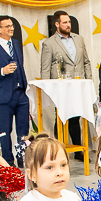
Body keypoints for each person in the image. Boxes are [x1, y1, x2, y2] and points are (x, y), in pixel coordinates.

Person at [40, 10, 90, 152]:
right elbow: (45, 69)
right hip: (60, 88)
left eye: (69, 22)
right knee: (61, 117)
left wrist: (89, 81)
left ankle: (78, 149)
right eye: (65, 22)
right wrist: (47, 90)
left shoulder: (79, 39)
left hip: (78, 86)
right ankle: (59, 149)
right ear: (57, 24)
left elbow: (86, 62)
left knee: (76, 116)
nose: (68, 25)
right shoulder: (49, 43)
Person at [0, 17, 29, 165]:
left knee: (23, 129)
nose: (11, 28)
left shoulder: (16, 43)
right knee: (5, 130)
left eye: (12, 25)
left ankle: (23, 159)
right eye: (7, 26)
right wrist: (2, 70)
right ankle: (8, 162)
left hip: (21, 93)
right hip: (3, 95)